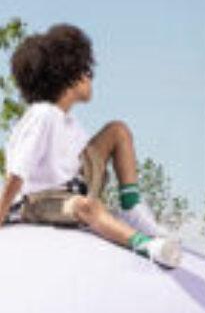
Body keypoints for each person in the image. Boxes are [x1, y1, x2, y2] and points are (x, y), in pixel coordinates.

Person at [0, 24, 179, 267]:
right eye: (86, 71)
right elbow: (17, 173)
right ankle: (145, 245)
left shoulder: (70, 123)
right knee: (87, 207)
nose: (89, 78)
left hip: (75, 185)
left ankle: (131, 208)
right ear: (69, 76)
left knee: (117, 130)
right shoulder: (42, 115)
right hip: (40, 201)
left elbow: (84, 159)